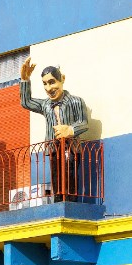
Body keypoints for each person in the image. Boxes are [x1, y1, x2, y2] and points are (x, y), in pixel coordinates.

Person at [19, 57, 88, 201]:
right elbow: (26, 102)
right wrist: (25, 80)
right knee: (56, 174)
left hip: (71, 146)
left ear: (62, 79)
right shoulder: (45, 105)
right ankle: (58, 198)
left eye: (52, 82)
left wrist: (70, 130)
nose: (49, 88)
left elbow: (83, 122)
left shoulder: (76, 101)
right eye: (45, 84)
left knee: (70, 173)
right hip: (54, 147)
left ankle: (70, 199)